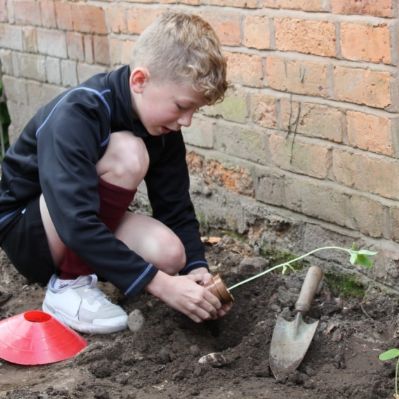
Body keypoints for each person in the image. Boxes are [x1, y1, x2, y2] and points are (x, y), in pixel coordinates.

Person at [0, 12, 231, 334]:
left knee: (171, 253)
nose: (187, 121)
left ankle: (90, 272)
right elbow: (75, 220)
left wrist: (196, 268)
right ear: (140, 80)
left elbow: (174, 207)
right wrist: (162, 286)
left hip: (74, 224)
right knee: (128, 152)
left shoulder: (162, 128)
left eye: (195, 110)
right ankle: (68, 287)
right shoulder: (78, 113)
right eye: (181, 106)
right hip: (28, 232)